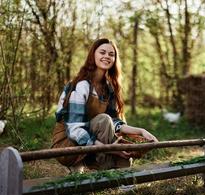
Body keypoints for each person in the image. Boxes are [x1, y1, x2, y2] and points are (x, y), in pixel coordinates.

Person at [52, 38, 158, 172]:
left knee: (119, 144)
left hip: (94, 138)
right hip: (67, 144)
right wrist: (109, 149)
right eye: (102, 52)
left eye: (111, 54)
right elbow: (74, 129)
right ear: (93, 55)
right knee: (104, 121)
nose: (106, 56)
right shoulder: (81, 85)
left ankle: (123, 181)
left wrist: (141, 131)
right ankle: (102, 171)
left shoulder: (108, 88)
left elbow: (114, 122)